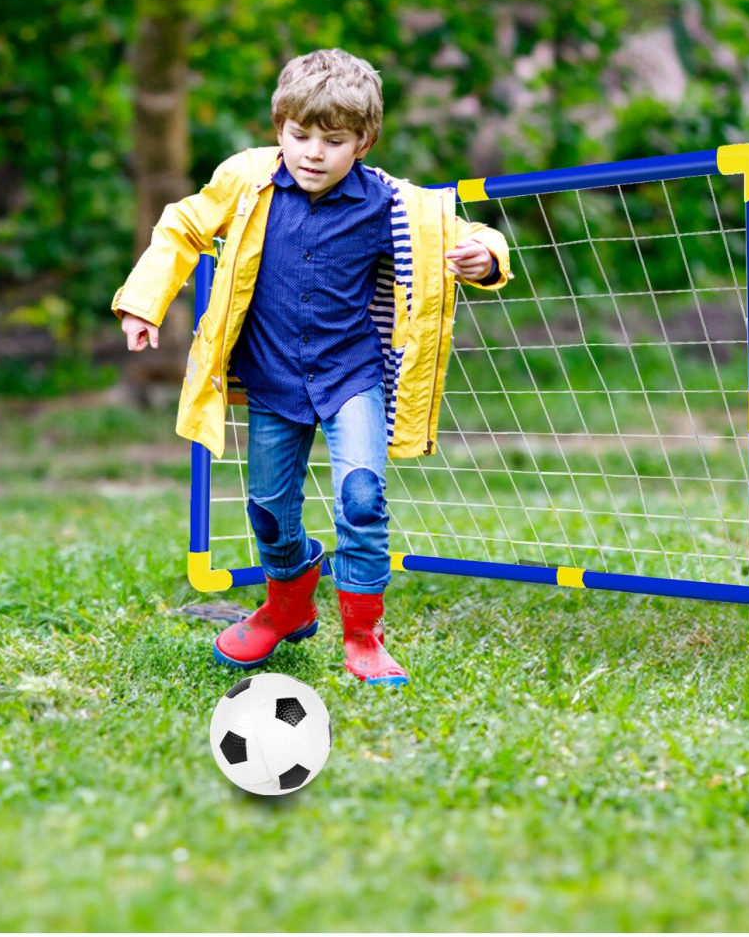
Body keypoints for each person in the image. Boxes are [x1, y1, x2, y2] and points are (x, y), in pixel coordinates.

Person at [113, 48, 510, 687]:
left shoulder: (390, 204)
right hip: (271, 379)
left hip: (351, 375)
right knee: (269, 511)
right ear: (280, 127)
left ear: (364, 142)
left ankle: (363, 636)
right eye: (300, 135)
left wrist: (484, 257)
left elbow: (466, 232)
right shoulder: (248, 181)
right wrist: (143, 303)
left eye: (334, 140)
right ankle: (288, 605)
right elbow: (183, 225)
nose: (314, 153)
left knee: (361, 497)